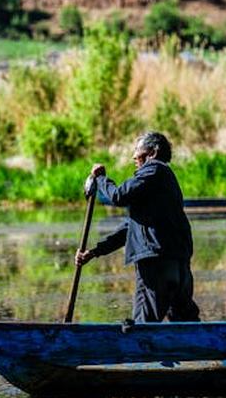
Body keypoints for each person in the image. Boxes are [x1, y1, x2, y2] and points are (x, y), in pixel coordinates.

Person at [76, 131, 201, 322]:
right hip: (178, 266)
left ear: (152, 153)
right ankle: (200, 350)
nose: (134, 156)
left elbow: (118, 196)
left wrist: (101, 179)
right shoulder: (162, 182)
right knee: (185, 324)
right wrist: (95, 252)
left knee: (145, 325)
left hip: (156, 264)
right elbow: (129, 229)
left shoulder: (154, 170)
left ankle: (139, 351)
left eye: (137, 150)